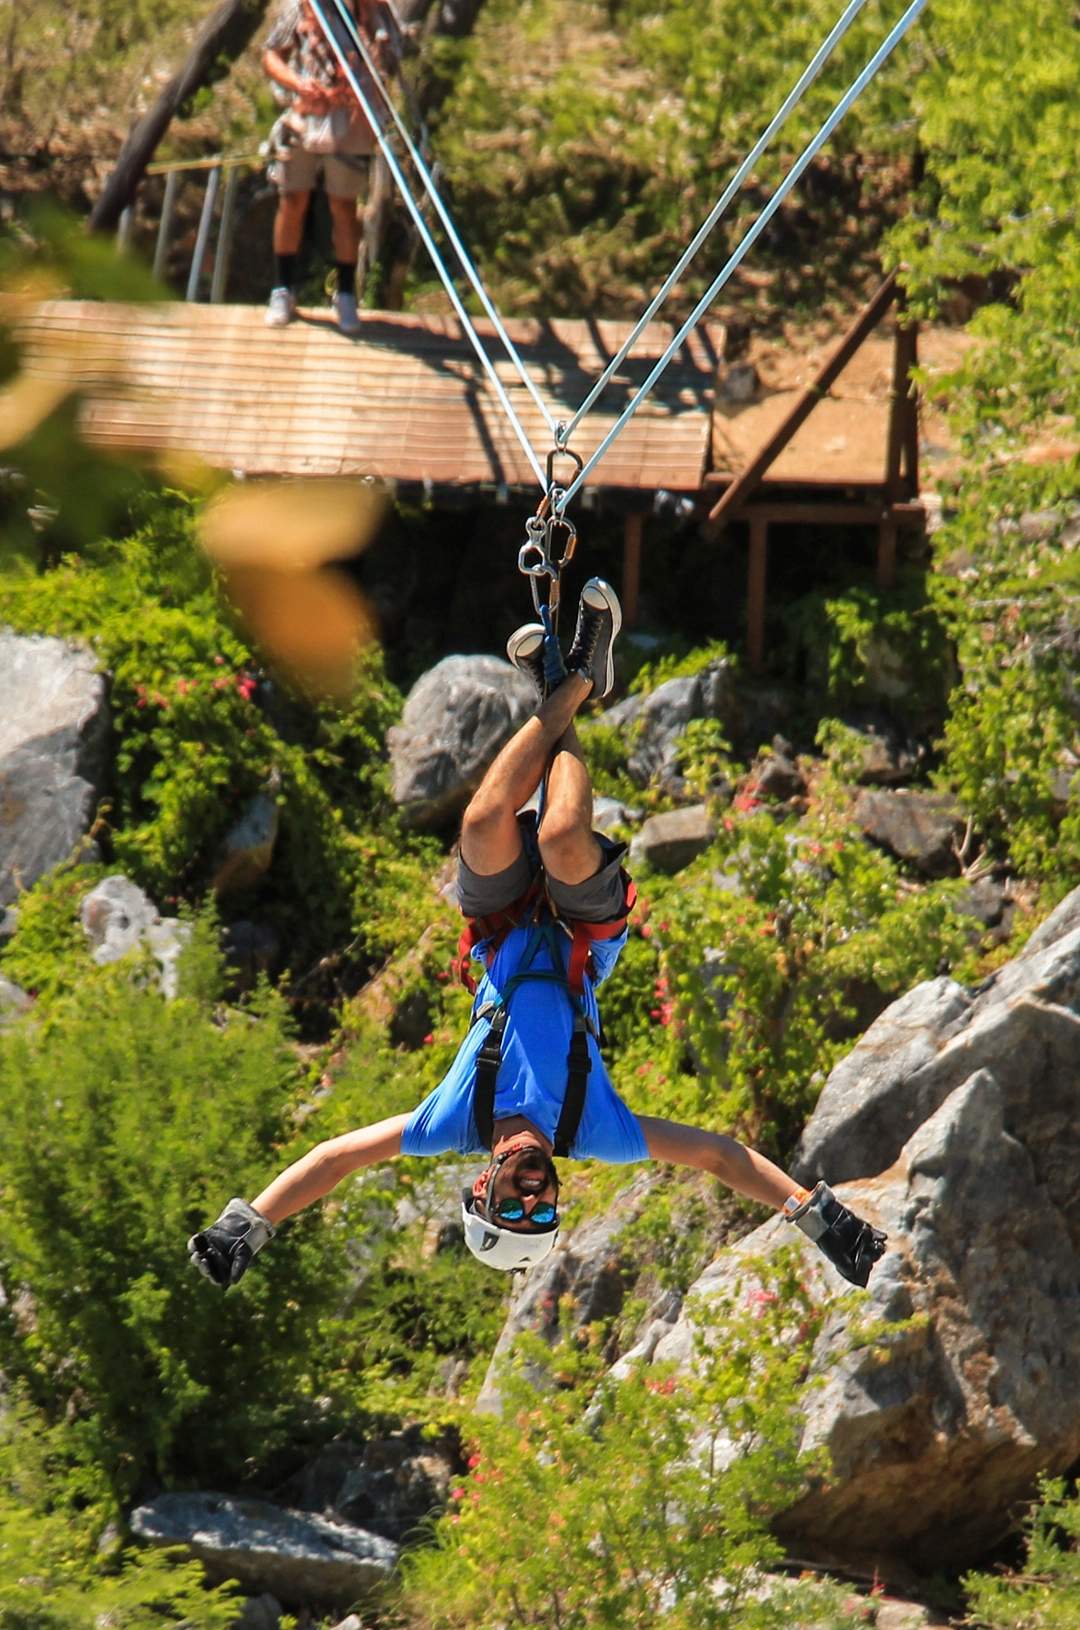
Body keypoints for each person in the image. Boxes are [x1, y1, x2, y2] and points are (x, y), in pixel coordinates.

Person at [189, 579, 887, 1288]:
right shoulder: (596, 1132)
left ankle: (566, 685)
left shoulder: (450, 1121)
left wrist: (249, 1225)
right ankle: (573, 683)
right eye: (542, 1213)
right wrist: (816, 1217)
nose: (531, 1198)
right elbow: (720, 1157)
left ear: (479, 1190)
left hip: (500, 928)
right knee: (558, 835)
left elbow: (334, 1160)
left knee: (482, 826)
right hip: (586, 934)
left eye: (509, 1211)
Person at [262, 0, 396, 335]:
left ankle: (347, 293)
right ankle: (283, 287)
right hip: (305, 116)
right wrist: (297, 83)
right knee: (292, 199)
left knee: (344, 205)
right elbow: (271, 55)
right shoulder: (302, 6)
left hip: (349, 120)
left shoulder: (372, 10)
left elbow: (392, 57)